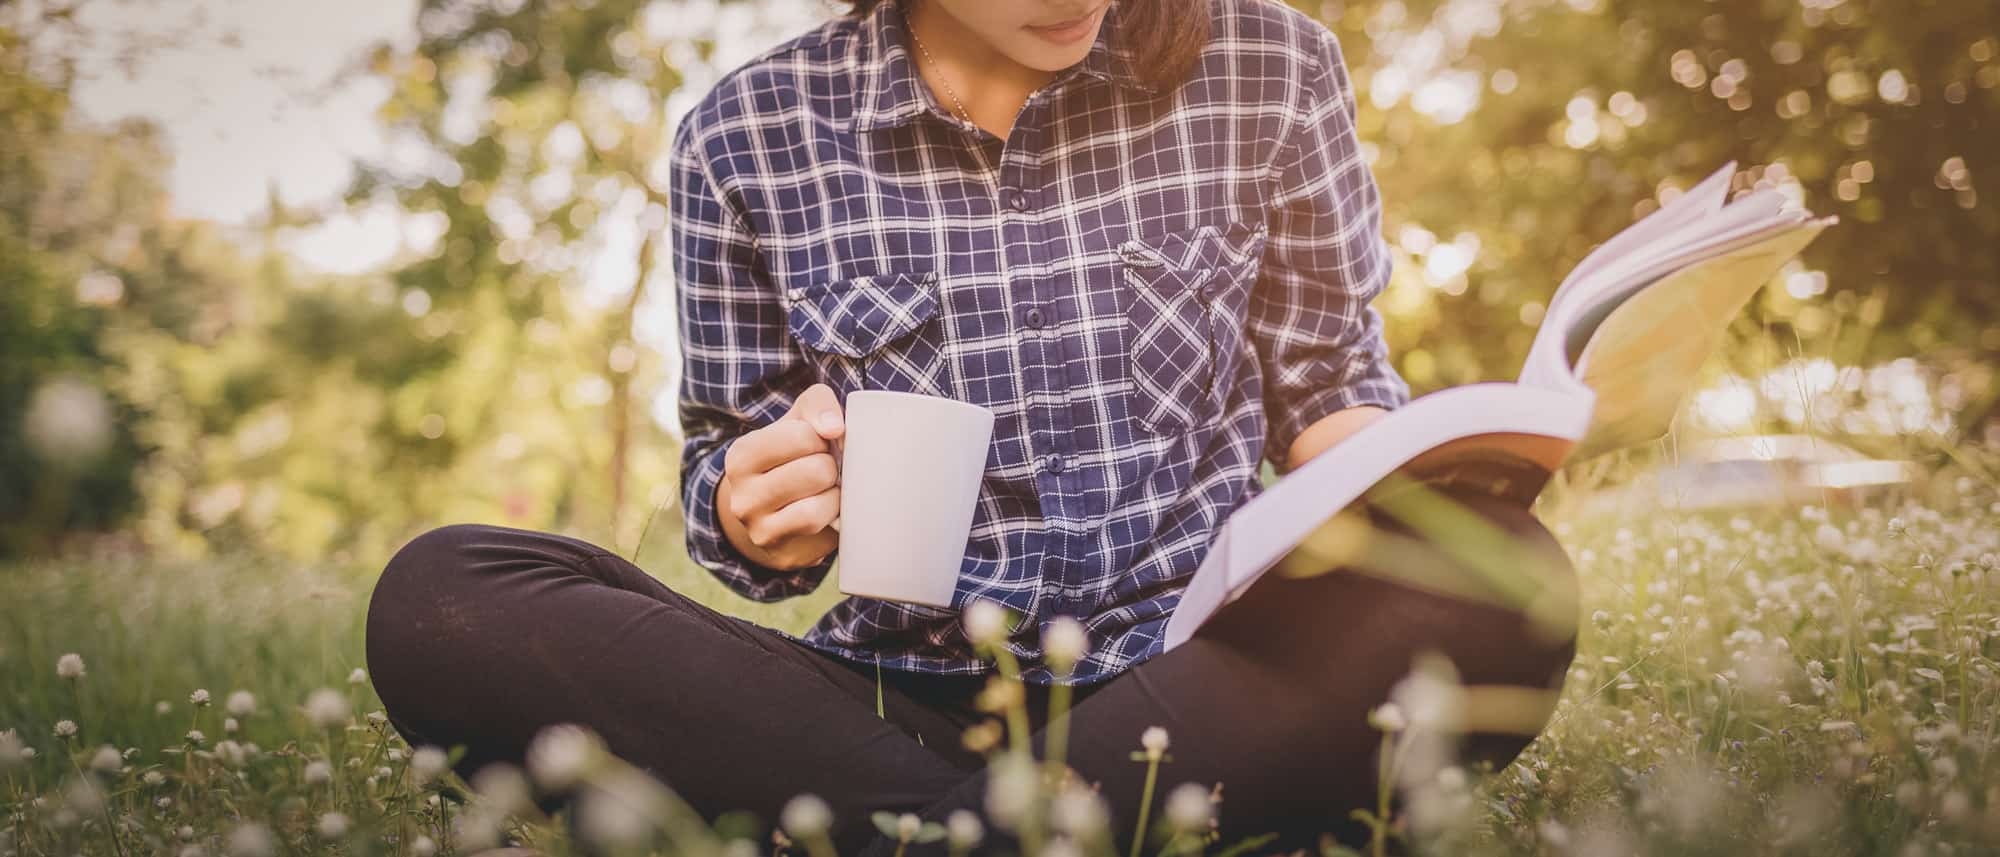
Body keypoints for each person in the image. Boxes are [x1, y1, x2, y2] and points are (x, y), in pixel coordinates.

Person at [364, 1, 1580, 854]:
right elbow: (729, 470)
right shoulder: (747, 136)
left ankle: (881, 832)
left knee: (1501, 577)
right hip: (887, 693)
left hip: (1199, 677)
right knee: (444, 594)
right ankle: (1060, 827)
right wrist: (752, 509)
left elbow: (1325, 386)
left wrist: (1459, 467)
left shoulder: (1271, 63)